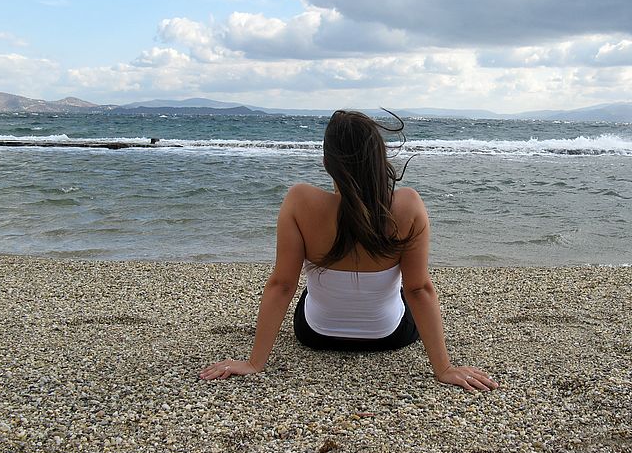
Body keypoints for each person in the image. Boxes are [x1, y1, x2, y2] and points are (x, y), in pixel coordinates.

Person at [200, 110, 498, 393]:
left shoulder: (300, 200)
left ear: (327, 162)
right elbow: (419, 289)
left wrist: (255, 363)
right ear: (379, 159)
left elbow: (283, 284)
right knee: (405, 290)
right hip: (388, 337)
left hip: (316, 335)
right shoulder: (407, 205)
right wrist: (443, 368)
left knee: (309, 289)